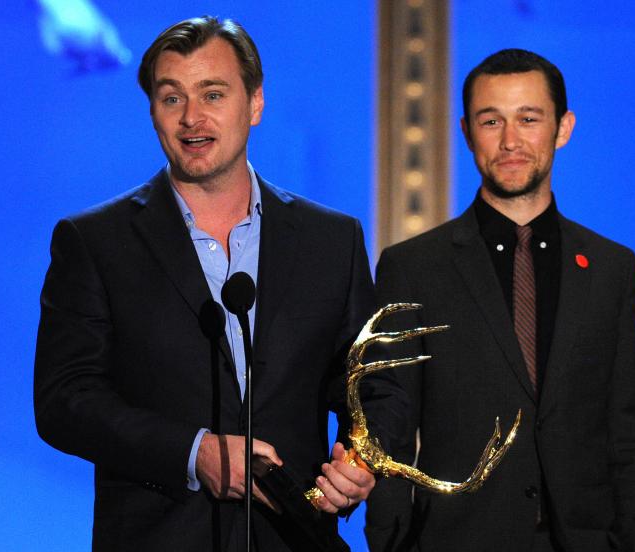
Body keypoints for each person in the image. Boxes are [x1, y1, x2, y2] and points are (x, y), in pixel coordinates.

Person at [34, 16, 403, 551]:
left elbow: (372, 386)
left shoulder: (331, 240)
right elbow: (65, 401)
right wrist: (194, 452)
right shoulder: (95, 242)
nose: (192, 118)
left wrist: (360, 458)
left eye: (213, 94)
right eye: (171, 98)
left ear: (254, 103)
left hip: (294, 537)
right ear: (153, 114)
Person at [365, 49, 635, 551]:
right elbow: (388, 428)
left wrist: (632, 542)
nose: (510, 140)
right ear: (465, 130)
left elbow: (627, 428)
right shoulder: (413, 267)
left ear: (563, 128)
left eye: (529, 118)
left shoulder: (611, 268)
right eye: (491, 120)